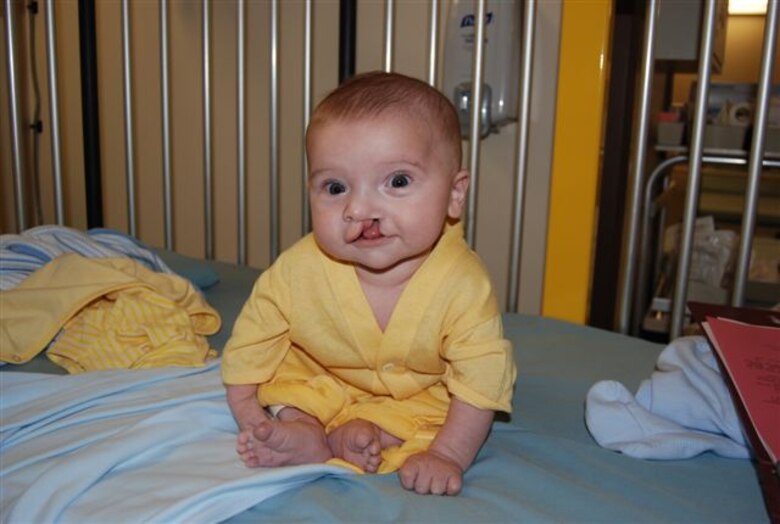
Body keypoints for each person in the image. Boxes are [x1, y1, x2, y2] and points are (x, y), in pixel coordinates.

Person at [222, 71, 516, 496]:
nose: (360, 209)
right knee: (289, 383)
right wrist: (249, 413)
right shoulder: (299, 269)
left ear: (455, 194)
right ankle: (305, 430)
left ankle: (365, 435)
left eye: (397, 181)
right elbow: (254, 339)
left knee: (437, 413)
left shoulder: (463, 285)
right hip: (320, 379)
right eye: (335, 187)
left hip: (415, 396)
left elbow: (481, 378)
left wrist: (447, 454)